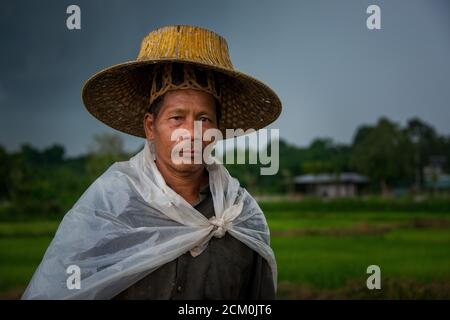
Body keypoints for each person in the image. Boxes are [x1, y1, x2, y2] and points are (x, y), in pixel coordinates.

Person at [22, 25, 282, 300]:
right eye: (177, 118)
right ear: (150, 126)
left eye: (204, 119)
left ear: (218, 129)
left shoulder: (238, 215)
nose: (191, 133)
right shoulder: (110, 207)